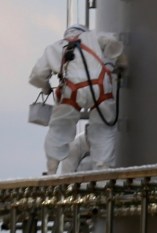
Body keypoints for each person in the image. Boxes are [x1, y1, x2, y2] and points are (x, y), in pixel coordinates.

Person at [28, 25, 124, 174]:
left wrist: (46, 87)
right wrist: (119, 61)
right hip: (101, 89)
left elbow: (37, 75)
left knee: (59, 126)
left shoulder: (55, 47)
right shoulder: (94, 37)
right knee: (103, 128)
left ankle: (51, 171)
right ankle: (103, 169)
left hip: (72, 91)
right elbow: (114, 42)